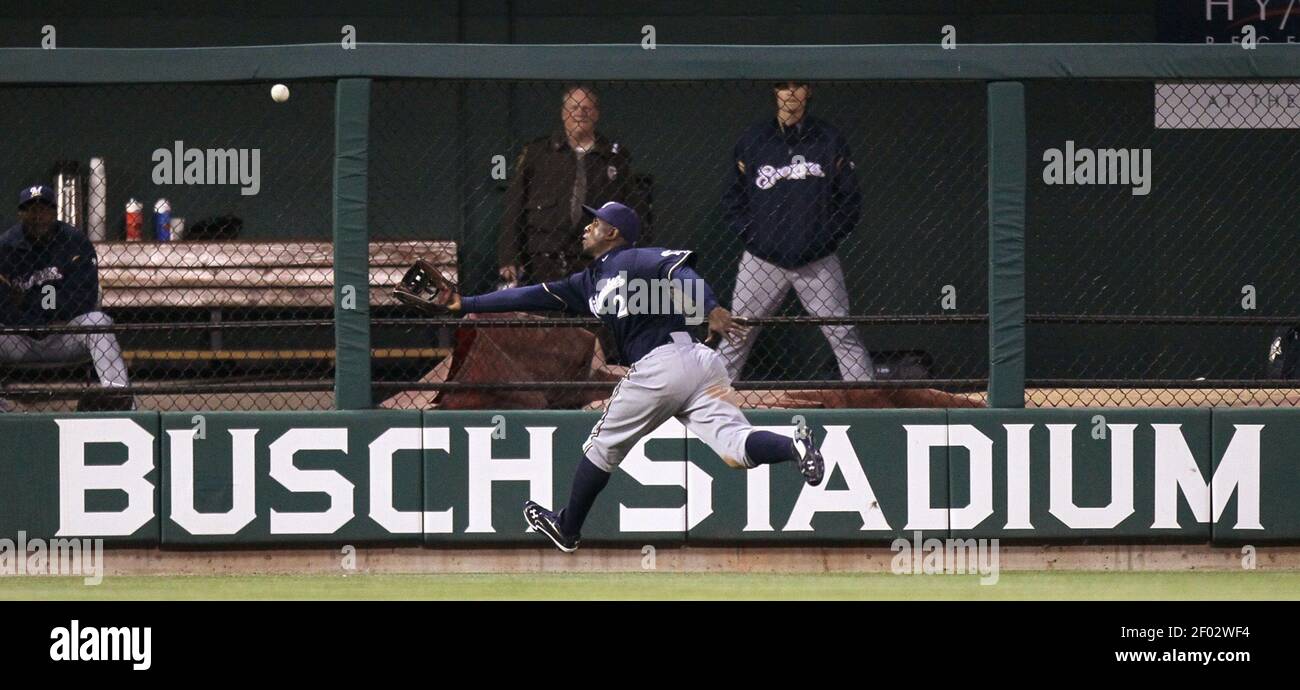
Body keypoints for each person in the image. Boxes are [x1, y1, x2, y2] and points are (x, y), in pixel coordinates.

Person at [432, 201, 825, 552]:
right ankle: (793, 446)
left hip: (663, 365)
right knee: (736, 447)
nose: (588, 226)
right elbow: (525, 295)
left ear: (613, 232)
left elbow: (681, 272)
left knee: (601, 447)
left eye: (596, 221)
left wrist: (711, 308)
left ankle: (568, 528)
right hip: (699, 365)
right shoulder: (585, 283)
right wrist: (464, 302)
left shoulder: (634, 258)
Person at [718, 80, 874, 382]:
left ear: (808, 92)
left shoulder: (828, 138)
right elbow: (731, 198)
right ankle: (709, 401)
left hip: (818, 260)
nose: (790, 93)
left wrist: (823, 240)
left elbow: (850, 201)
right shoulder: (753, 139)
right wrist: (756, 238)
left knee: (842, 333)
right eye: (782, 87)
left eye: (797, 87)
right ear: (774, 93)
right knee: (736, 333)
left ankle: (866, 401)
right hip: (762, 260)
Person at [0, 185, 132, 410]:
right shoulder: (5, 247)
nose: (38, 216)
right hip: (19, 337)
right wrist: (35, 322)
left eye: (44, 209)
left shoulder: (75, 242)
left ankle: (120, 401)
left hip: (64, 334)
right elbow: (3, 305)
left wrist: (30, 303)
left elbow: (83, 297)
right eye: (31, 210)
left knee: (98, 322)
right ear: (20, 214)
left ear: (54, 212)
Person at [499, 84, 637, 285]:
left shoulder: (614, 157)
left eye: (586, 108)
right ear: (563, 113)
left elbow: (631, 208)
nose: (580, 113)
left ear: (596, 114)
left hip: (596, 255)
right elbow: (514, 206)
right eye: (573, 108)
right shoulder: (538, 153)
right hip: (543, 256)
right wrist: (509, 257)